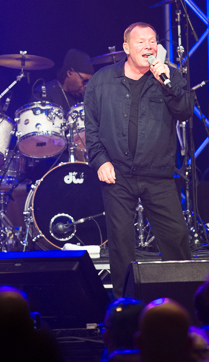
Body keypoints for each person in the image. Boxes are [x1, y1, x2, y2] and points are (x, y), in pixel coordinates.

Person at [84, 22, 192, 298]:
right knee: (121, 243)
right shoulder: (102, 81)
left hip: (158, 173)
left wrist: (166, 82)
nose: (148, 46)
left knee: (176, 237)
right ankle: (125, 306)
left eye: (152, 41)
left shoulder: (170, 75)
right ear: (126, 48)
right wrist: (100, 160)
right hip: (118, 174)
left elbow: (185, 111)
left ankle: (182, 301)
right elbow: (91, 128)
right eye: (141, 41)